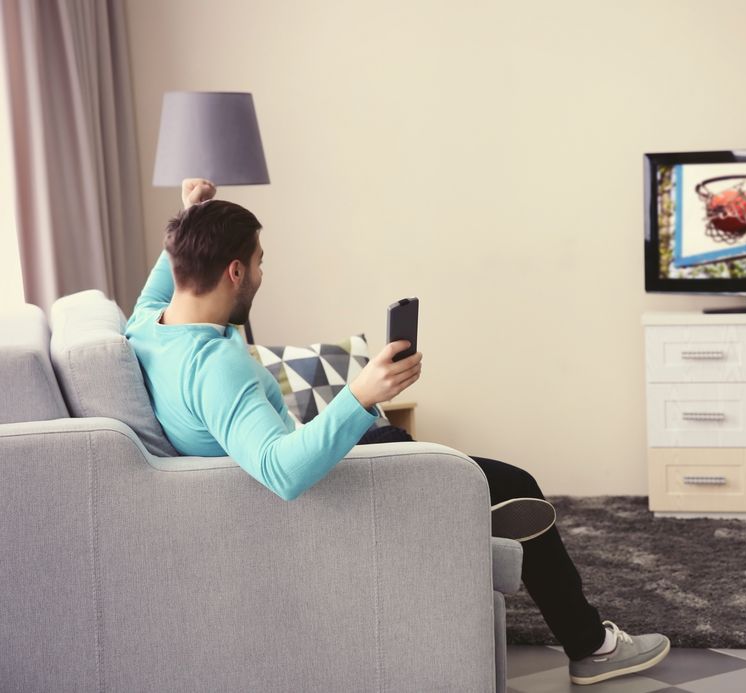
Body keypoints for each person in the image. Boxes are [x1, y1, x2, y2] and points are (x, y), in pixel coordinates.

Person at [125, 179, 671, 685]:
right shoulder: (218, 368)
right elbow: (282, 473)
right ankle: (591, 647)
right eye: (260, 262)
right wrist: (361, 392)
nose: (265, 274)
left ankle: (445, 498)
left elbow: (166, 274)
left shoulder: (150, 325)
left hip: (319, 452)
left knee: (400, 446)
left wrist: (194, 210)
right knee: (515, 482)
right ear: (236, 272)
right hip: (317, 495)